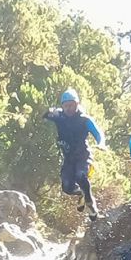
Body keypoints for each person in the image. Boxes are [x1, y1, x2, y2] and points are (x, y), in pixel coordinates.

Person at [44, 89, 105, 218]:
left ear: (77, 104)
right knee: (67, 187)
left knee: (81, 175)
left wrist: (101, 144)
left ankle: (90, 203)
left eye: (71, 105)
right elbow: (46, 114)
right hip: (68, 158)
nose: (68, 108)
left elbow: (98, 133)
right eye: (65, 106)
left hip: (83, 155)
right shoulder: (59, 116)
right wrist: (49, 111)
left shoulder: (84, 119)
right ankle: (81, 194)